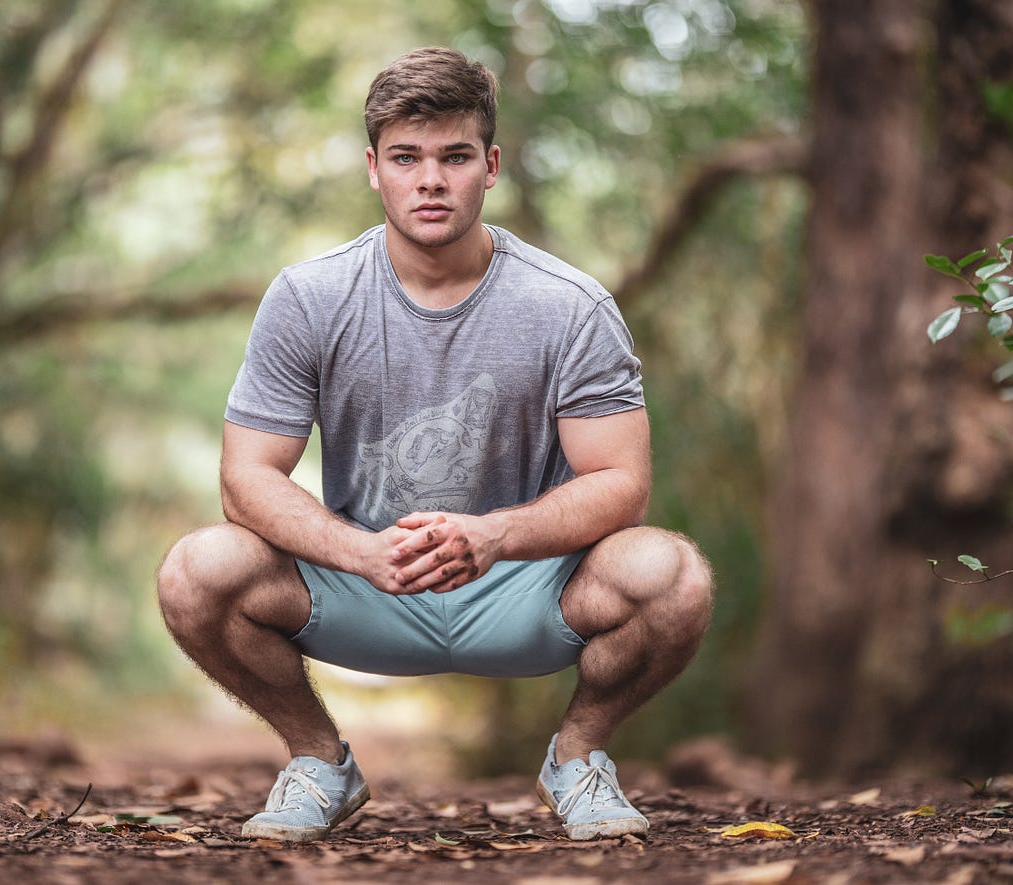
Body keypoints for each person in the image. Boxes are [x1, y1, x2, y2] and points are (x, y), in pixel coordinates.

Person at [156, 47, 714, 843]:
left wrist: (495, 534)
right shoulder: (309, 298)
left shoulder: (570, 305)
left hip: (527, 586)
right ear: (372, 169)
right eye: (406, 157)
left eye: (454, 156)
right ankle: (319, 762)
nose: (430, 180)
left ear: (490, 166)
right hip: (366, 583)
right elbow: (246, 480)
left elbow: (621, 483)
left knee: (675, 576)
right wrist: (359, 552)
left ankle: (579, 757)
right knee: (196, 570)